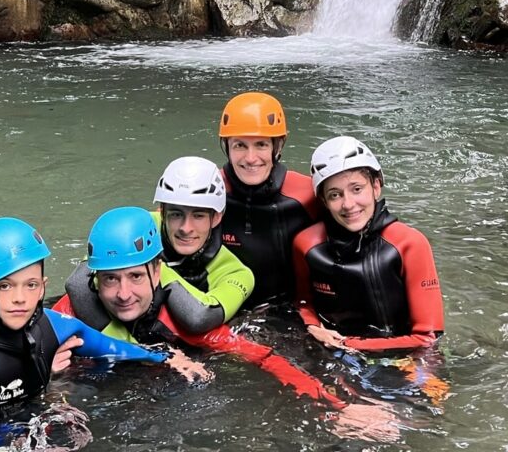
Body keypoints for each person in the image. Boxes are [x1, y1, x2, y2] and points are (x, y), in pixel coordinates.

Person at [54, 207, 403, 441]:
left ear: (157, 272)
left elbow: (263, 357)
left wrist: (336, 405)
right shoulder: (71, 310)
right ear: (95, 279)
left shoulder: (179, 319)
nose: (123, 293)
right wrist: (52, 377)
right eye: (110, 279)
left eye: (135, 277)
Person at [0, 217, 199, 452]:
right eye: (5, 286)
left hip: (23, 420)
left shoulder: (52, 325)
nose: (20, 298)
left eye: (31, 285)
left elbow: (108, 346)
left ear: (43, 286)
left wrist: (164, 356)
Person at [292, 136, 445, 352]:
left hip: (406, 354)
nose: (348, 204)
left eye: (357, 189)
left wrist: (346, 344)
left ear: (376, 187)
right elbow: (302, 302)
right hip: (333, 351)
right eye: (335, 195)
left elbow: (428, 338)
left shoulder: (409, 244)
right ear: (324, 201)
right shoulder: (306, 244)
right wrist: (312, 326)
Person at [217, 91, 322, 306]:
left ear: (277, 146)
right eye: (239, 145)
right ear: (227, 147)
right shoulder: (205, 192)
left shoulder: (308, 194)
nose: (250, 158)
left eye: (261, 145)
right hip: (222, 308)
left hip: (289, 310)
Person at [151, 155, 254, 333]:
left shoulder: (236, 273)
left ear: (216, 217)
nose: (186, 228)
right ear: (162, 212)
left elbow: (200, 318)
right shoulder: (140, 225)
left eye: (198, 216)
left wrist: (152, 266)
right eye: (176, 214)